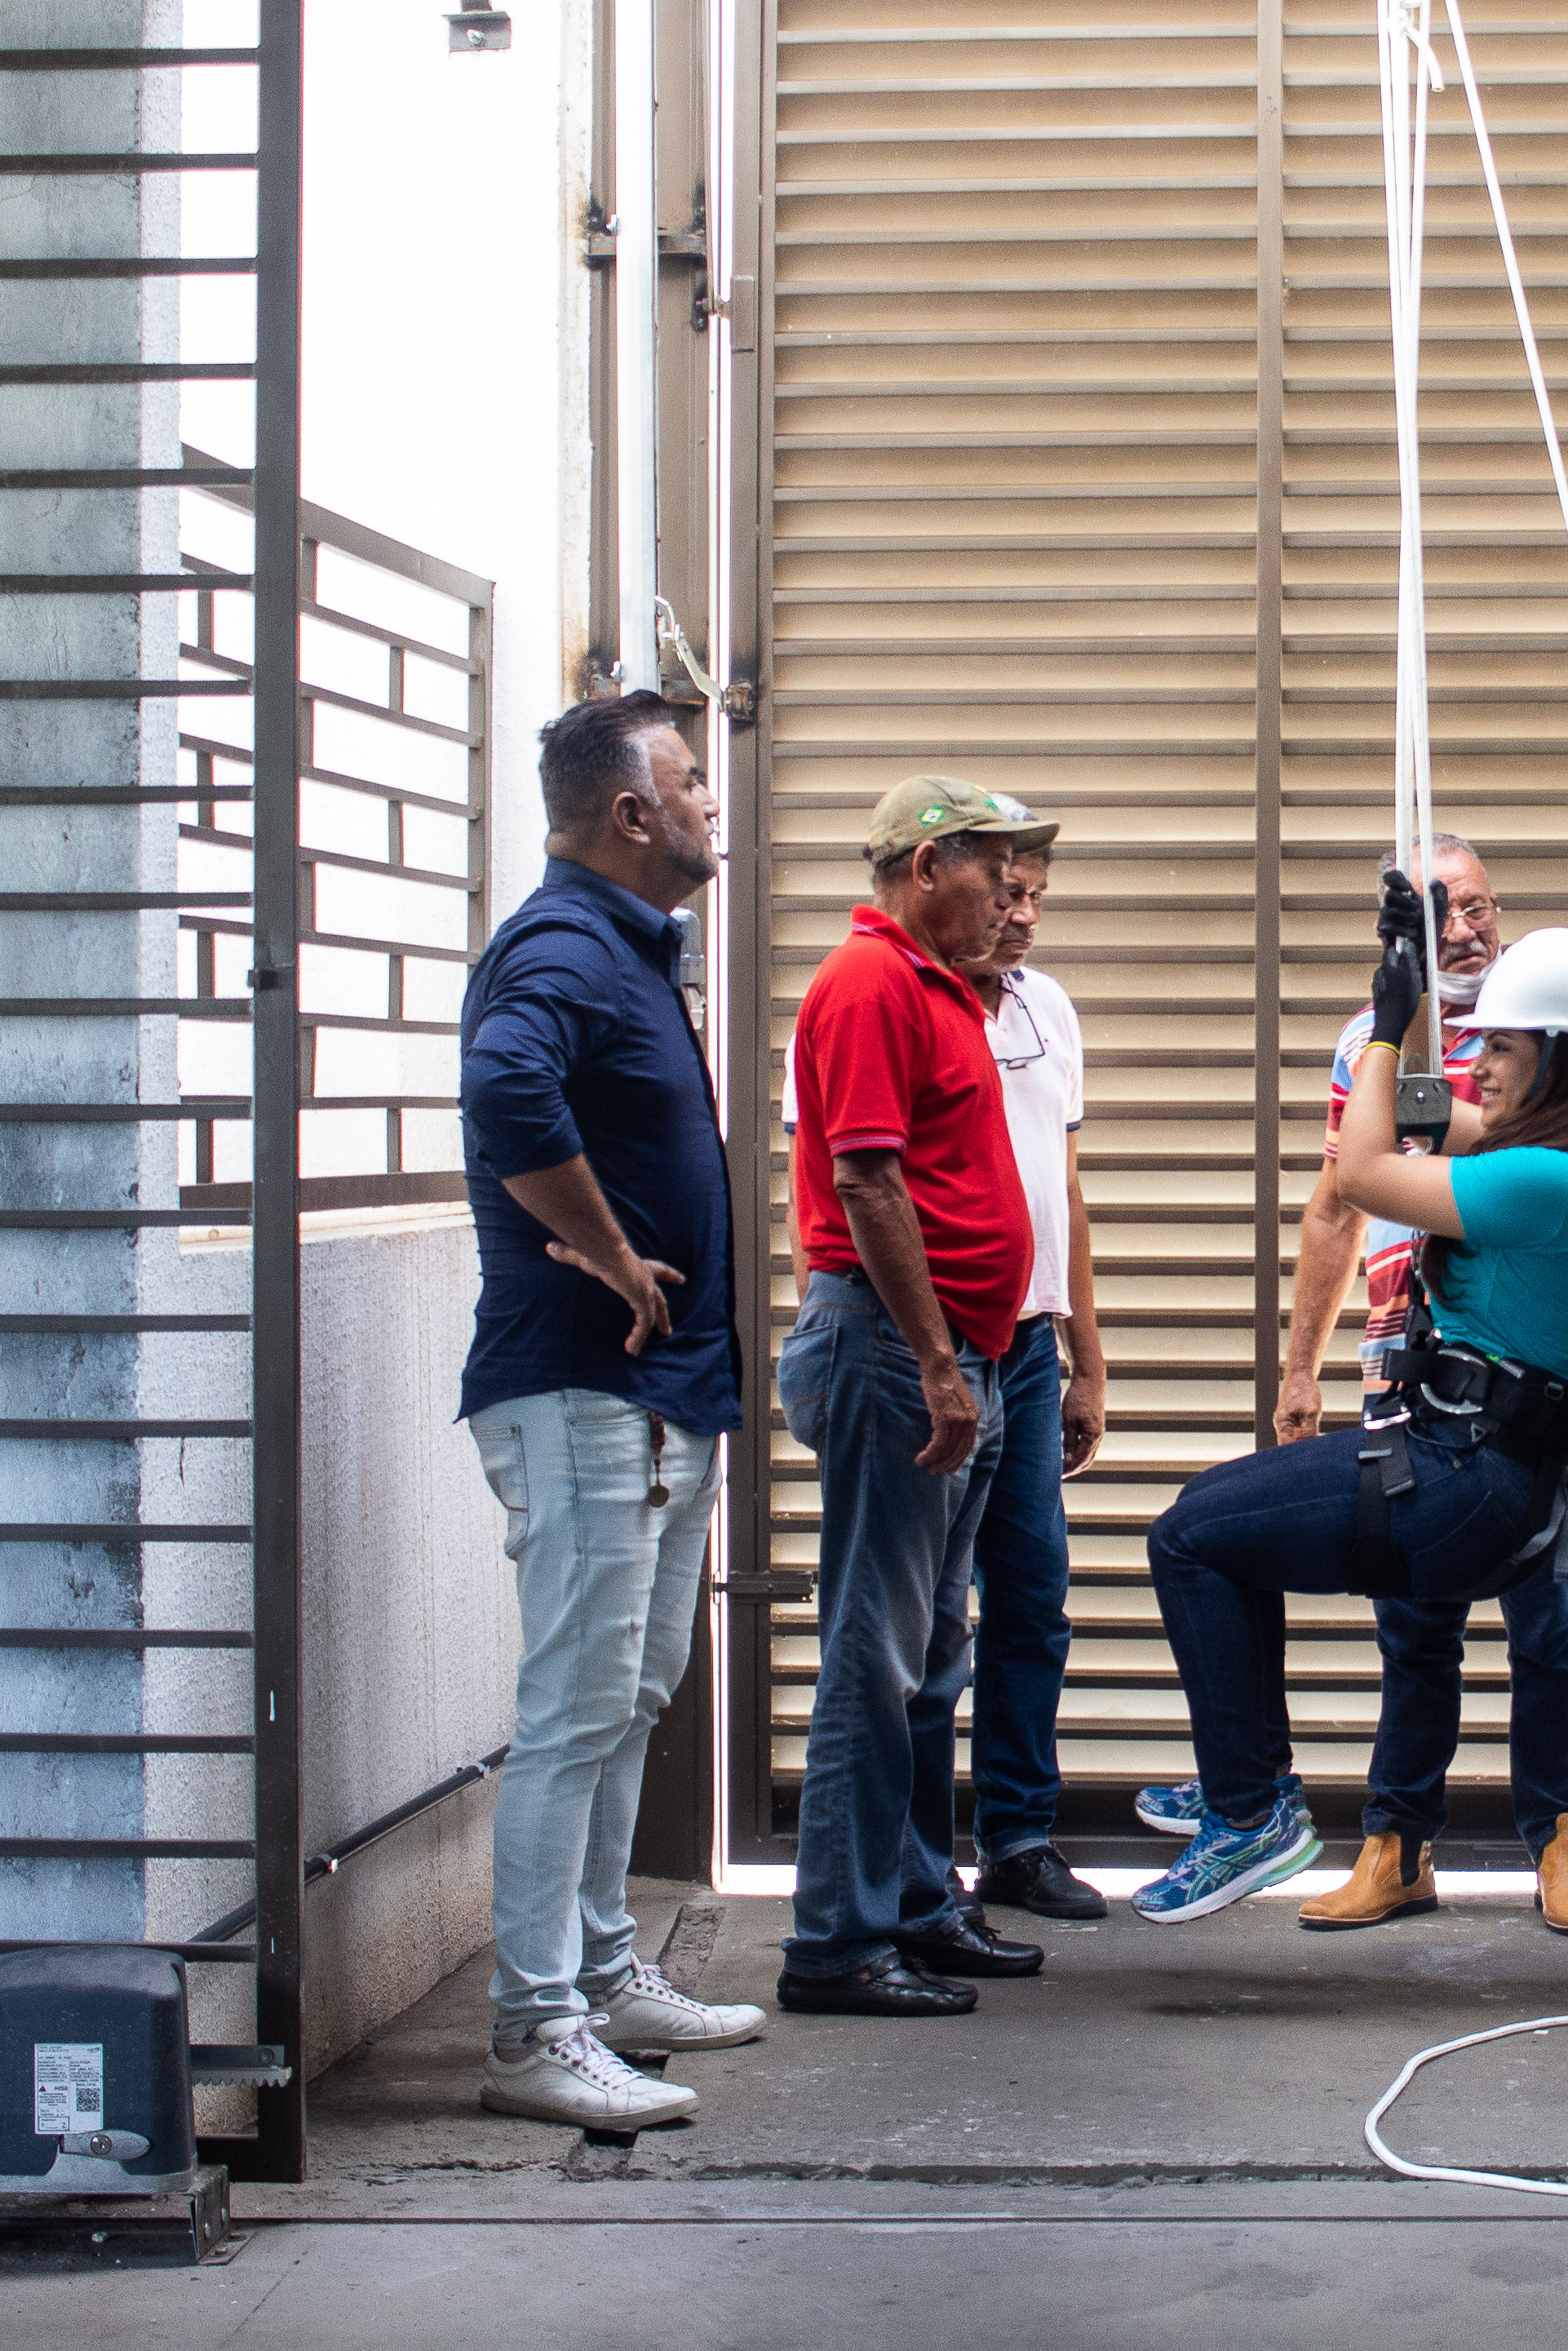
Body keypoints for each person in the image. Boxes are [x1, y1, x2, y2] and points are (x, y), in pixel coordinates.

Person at [1133, 899, 1568, 1924]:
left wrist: (1381, 1023)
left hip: (1462, 1475)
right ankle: (1261, 1787)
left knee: (1188, 1538)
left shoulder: (1548, 1180)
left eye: (1499, 1048)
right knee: (1207, 1516)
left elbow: (1365, 1170)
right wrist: (1407, 993)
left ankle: (1250, 1806)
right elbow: (1422, 1107)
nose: (1477, 1066)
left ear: (1560, 1058)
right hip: (1465, 1459)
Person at [457, 693, 763, 2131]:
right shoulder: (564, 942)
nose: (712, 800)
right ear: (633, 811)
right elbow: (505, 1087)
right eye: (692, 780)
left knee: (631, 1695)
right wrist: (612, 1250)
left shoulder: (627, 947)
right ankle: (533, 2030)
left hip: (655, 1394)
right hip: (586, 1385)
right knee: (573, 1709)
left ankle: (598, 1970)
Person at [776, 778, 1056, 2017]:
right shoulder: (869, 981)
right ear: (929, 862)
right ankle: (836, 1941)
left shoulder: (941, 987)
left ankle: (914, 1900)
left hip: (957, 1354)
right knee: (872, 1654)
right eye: (993, 867)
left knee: (933, 1656)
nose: (1010, 892)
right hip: (899, 1353)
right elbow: (868, 1181)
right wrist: (939, 1361)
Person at [955, 810, 1110, 1922]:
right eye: (1009, 889)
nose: (1024, 913)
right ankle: (909, 1863)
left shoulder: (1047, 1007)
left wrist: (1085, 1360)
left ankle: (1016, 1837)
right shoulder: (890, 1002)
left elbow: (1065, 1192)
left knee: (1032, 1601)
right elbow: (834, 1196)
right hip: (931, 1349)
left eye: (1038, 894)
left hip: (1024, 1350)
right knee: (916, 1620)